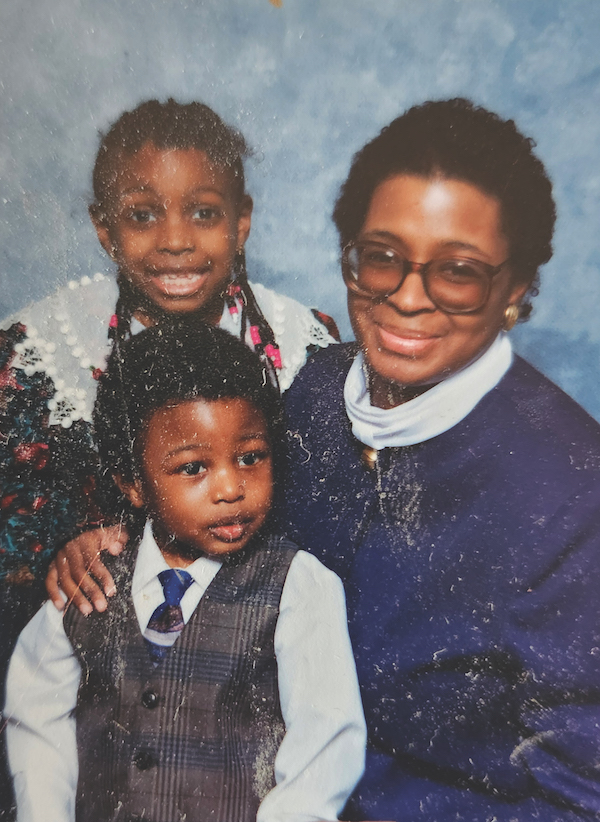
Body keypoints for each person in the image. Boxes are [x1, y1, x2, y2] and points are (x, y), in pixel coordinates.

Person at [49, 98, 600, 820]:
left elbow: (581, 796)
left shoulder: (567, 491)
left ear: (515, 289)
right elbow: (228, 545)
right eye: (382, 256)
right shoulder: (312, 393)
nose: (407, 296)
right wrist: (117, 548)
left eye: (458, 271)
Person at [0, 97, 337, 815]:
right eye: (143, 214)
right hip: (88, 689)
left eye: (205, 212)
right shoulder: (34, 352)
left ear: (242, 220)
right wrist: (60, 559)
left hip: (247, 694)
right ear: (102, 227)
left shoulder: (306, 343)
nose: (175, 241)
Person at [5, 320, 365, 822]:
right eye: (194, 467)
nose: (230, 488)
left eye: (250, 457)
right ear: (133, 484)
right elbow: (35, 712)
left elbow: (325, 746)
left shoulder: (298, 585)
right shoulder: (92, 579)